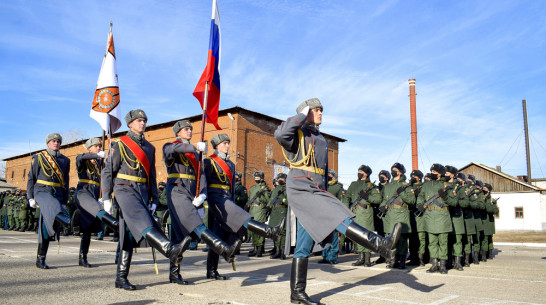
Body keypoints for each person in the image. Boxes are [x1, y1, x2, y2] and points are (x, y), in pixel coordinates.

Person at [275, 98, 401, 305]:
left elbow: (322, 170)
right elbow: (280, 134)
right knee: (337, 215)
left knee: (304, 245)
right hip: (301, 185)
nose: (320, 113)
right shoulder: (297, 133)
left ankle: (297, 293)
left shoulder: (318, 136)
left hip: (316, 187)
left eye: (321, 110)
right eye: (316, 110)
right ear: (305, 113)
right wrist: (301, 115)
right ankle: (379, 244)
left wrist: (323, 189)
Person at [101, 110, 191, 290]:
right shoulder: (120, 144)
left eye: (144, 121)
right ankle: (169, 249)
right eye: (139, 121)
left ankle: (121, 277)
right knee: (140, 218)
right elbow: (108, 171)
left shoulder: (150, 148)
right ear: (130, 124)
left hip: (141, 192)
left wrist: (154, 198)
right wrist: (106, 197)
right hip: (123, 188)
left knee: (127, 234)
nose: (142, 123)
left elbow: (150, 176)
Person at [163, 120, 240, 284]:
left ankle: (174, 273)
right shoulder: (172, 146)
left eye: (191, 129)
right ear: (178, 132)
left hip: (192, 194)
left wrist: (202, 195)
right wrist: (195, 147)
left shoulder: (196, 154)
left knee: (183, 238)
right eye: (186, 129)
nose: (189, 131)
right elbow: (172, 150)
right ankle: (222, 250)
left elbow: (202, 176)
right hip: (176, 190)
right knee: (185, 233)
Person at [204, 133, 285, 280]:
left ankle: (213, 268)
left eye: (228, 143)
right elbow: (204, 182)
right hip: (215, 200)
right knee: (219, 233)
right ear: (217, 146)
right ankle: (269, 231)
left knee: (221, 235)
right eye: (224, 144)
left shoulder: (230, 165)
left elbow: (233, 188)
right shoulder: (209, 162)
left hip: (227, 200)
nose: (227, 146)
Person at [27, 133, 72, 269]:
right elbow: (31, 178)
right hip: (42, 191)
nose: (56, 143)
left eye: (58, 141)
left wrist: (64, 199)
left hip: (57, 193)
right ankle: (67, 220)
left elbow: (66, 181)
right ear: (48, 143)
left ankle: (41, 258)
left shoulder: (65, 160)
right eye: (53, 141)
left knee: (47, 227)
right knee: (52, 206)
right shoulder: (39, 157)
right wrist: (30, 196)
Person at [74, 137, 119, 268]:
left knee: (88, 228)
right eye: (96, 146)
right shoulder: (83, 159)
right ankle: (74, 221)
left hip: (94, 194)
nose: (99, 148)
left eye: (100, 146)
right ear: (89, 149)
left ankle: (83, 257)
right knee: (91, 217)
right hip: (83, 191)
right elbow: (80, 158)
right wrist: (95, 155)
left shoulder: (101, 163)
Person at [417, 164, 453, 274]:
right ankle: (434, 265)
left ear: (440, 174)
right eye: (431, 171)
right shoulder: (426, 185)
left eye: (435, 172)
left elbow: (453, 202)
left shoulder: (446, 185)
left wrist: (445, 197)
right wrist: (419, 204)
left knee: (443, 242)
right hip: (429, 216)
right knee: (432, 243)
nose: (432, 173)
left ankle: (442, 266)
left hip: (442, 217)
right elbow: (421, 196)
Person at [379, 163, 416, 269]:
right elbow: (385, 200)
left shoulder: (406, 185)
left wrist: (402, 193)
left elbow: (412, 200)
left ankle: (402, 261)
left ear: (400, 171)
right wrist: (382, 206)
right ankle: (393, 260)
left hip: (401, 215)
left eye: (395, 169)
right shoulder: (388, 186)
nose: (393, 171)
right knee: (392, 240)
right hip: (390, 216)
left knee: (402, 240)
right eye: (392, 169)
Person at [346, 165, 382, 267]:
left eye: (361, 171)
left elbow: (378, 199)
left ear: (366, 174)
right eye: (358, 171)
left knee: (366, 235)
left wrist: (367, 196)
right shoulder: (353, 184)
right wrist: (346, 208)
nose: (359, 172)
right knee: (357, 235)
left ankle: (367, 259)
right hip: (355, 212)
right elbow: (347, 196)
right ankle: (360, 258)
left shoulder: (372, 186)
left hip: (366, 213)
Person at [444, 165, 467, 271]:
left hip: (456, 216)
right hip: (445, 216)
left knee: (457, 240)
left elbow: (465, 202)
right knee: (447, 240)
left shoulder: (459, 188)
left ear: (453, 175)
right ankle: (448, 262)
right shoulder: (442, 185)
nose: (445, 175)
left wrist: (455, 203)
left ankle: (457, 262)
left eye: (447, 173)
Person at [246, 171, 270, 257]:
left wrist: (261, 196)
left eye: (258, 178)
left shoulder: (265, 188)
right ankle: (255, 248)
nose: (256, 179)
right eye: (255, 178)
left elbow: (268, 201)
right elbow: (249, 199)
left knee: (259, 230)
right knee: (253, 230)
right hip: (252, 210)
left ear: (262, 178)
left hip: (260, 210)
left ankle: (260, 249)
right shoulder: (252, 188)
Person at [268, 172, 289, 260]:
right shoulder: (275, 189)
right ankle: (277, 251)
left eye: (281, 179)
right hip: (274, 212)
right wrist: (268, 209)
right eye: (278, 179)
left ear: (285, 180)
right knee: (275, 231)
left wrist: (282, 198)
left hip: (282, 211)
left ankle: (282, 252)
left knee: (282, 232)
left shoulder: (287, 189)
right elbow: (271, 200)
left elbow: (288, 202)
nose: (279, 180)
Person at [407, 169, 425, 266]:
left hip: (420, 215)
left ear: (419, 178)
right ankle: (413, 258)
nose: (412, 178)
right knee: (412, 238)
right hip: (411, 214)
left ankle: (421, 258)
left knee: (421, 238)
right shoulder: (410, 187)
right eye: (411, 176)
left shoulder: (423, 186)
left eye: (414, 176)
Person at [483, 183, 498, 259]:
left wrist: (492, 206)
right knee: (485, 238)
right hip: (484, 220)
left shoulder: (491, 199)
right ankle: (485, 254)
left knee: (489, 238)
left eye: (485, 189)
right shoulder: (483, 198)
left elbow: (495, 210)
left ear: (488, 191)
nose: (483, 190)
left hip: (489, 221)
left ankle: (489, 253)